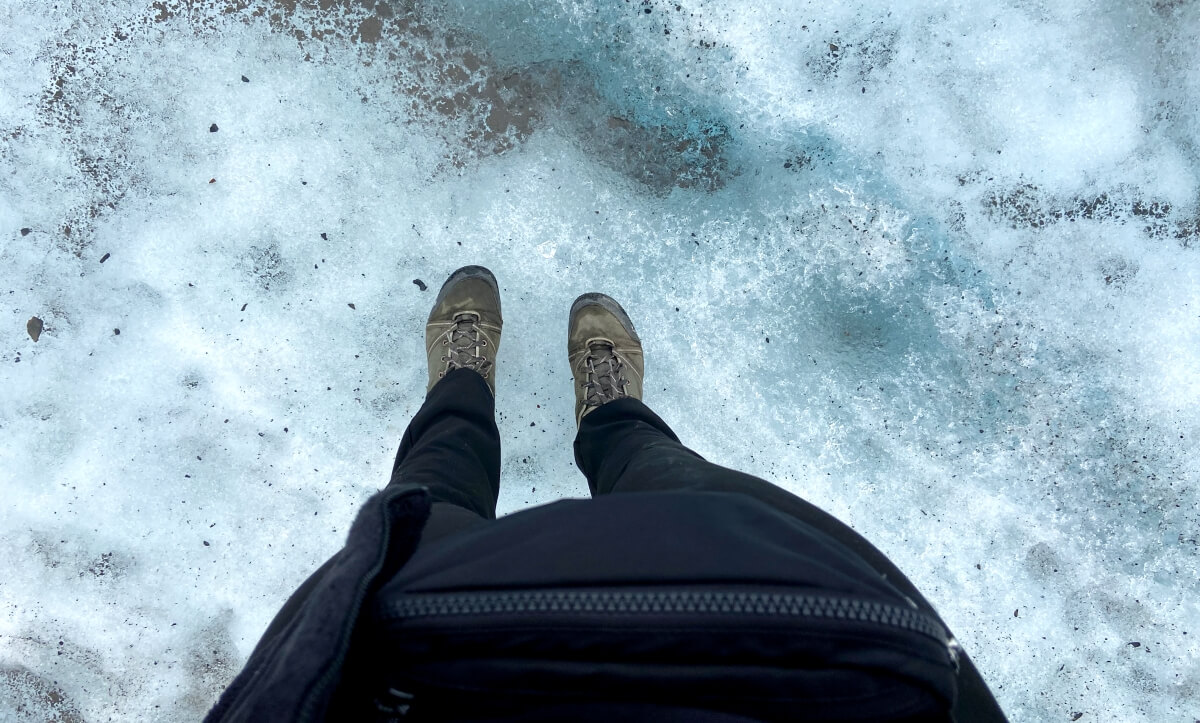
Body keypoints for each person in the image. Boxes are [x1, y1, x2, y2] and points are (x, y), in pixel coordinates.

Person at [205, 266, 1007, 722]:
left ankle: (460, 383)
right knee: (672, 479)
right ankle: (613, 413)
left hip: (418, 659)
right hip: (783, 644)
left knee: (429, 492)